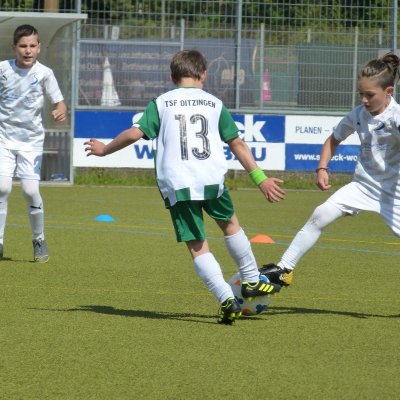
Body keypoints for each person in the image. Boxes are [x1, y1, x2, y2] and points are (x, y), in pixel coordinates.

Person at [85, 49, 285, 324]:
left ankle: (226, 298)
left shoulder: (161, 103)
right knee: (230, 225)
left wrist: (105, 149)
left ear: (172, 77)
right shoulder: (214, 103)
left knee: (197, 244)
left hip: (177, 183)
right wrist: (261, 179)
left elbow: (134, 133)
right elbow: (237, 143)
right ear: (203, 74)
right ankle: (251, 279)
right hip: (211, 179)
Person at [261, 52, 400, 287]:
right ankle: (284, 269)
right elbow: (333, 140)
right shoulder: (358, 114)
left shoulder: (396, 118)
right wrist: (322, 168)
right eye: (361, 94)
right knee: (321, 214)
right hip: (363, 187)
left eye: (370, 95)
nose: (364, 100)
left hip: (394, 193)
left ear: (388, 92)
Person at [0, 24, 67, 263]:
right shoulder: (2, 69)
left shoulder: (45, 73)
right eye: (22, 46)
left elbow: (59, 102)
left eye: (32, 46)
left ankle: (39, 238)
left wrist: (60, 111)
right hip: (3, 139)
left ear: (39, 47)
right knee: (2, 188)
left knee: (30, 191)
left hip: (31, 142)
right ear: (14, 48)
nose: (27, 51)